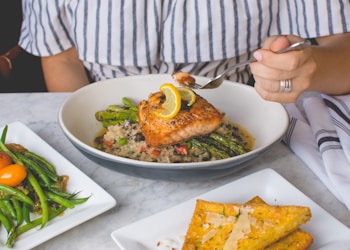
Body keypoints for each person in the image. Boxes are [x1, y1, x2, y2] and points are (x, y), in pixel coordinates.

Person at [19, 1, 350, 102]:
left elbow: (344, 52)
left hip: (244, 112)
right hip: (105, 116)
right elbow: (62, 58)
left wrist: (306, 68)